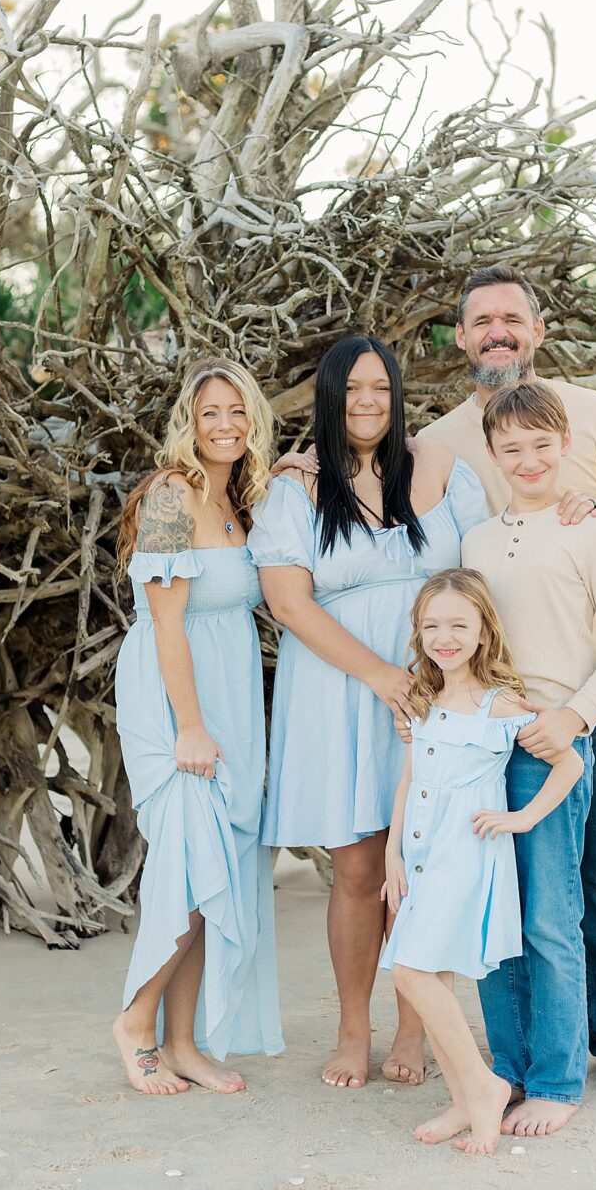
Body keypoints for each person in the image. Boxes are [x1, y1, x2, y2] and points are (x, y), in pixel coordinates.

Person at [417, 264, 596, 1101]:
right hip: (497, 712)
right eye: (480, 320)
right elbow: (382, 491)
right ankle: (525, 1053)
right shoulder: (438, 442)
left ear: (536, 330)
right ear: (459, 338)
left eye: (512, 318)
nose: (497, 331)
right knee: (519, 884)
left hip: (587, 695)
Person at [247, 336, 489, 1091]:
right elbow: (288, 602)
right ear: (328, 396)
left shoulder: (444, 471)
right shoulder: (297, 489)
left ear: (397, 395)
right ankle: (354, 1028)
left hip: (435, 683)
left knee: (425, 861)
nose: (366, 403)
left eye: (379, 389)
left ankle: (416, 1026)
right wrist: (385, 677)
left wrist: (441, 682)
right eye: (351, 390)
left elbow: (478, 580)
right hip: (340, 690)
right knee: (356, 869)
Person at [461, 380, 596, 1135]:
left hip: (558, 740)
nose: (529, 458)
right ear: (493, 454)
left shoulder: (592, 530)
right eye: (513, 448)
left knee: (555, 911)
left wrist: (569, 717)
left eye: (543, 444)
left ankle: (562, 1078)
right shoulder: (475, 539)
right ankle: (507, 1068)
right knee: (495, 919)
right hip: (487, 742)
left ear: (565, 445)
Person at [112, 358, 284, 1096]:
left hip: (232, 693)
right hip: (176, 695)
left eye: (238, 412)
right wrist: (189, 726)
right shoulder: (171, 496)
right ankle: (135, 1021)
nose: (225, 426)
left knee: (218, 868)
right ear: (189, 420)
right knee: (188, 864)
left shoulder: (240, 500)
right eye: (211, 412)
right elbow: (165, 625)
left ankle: (184, 1042)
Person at [381, 568, 582, 1154]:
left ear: (483, 631)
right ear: (418, 634)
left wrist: (522, 819)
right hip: (419, 851)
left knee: (411, 971)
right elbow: (410, 778)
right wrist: (393, 849)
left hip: (463, 851)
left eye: (459, 625)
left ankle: (484, 1086)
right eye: (431, 626)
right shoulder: (421, 699)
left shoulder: (504, 705)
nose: (445, 636)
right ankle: (466, 1102)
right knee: (431, 972)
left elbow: (569, 763)